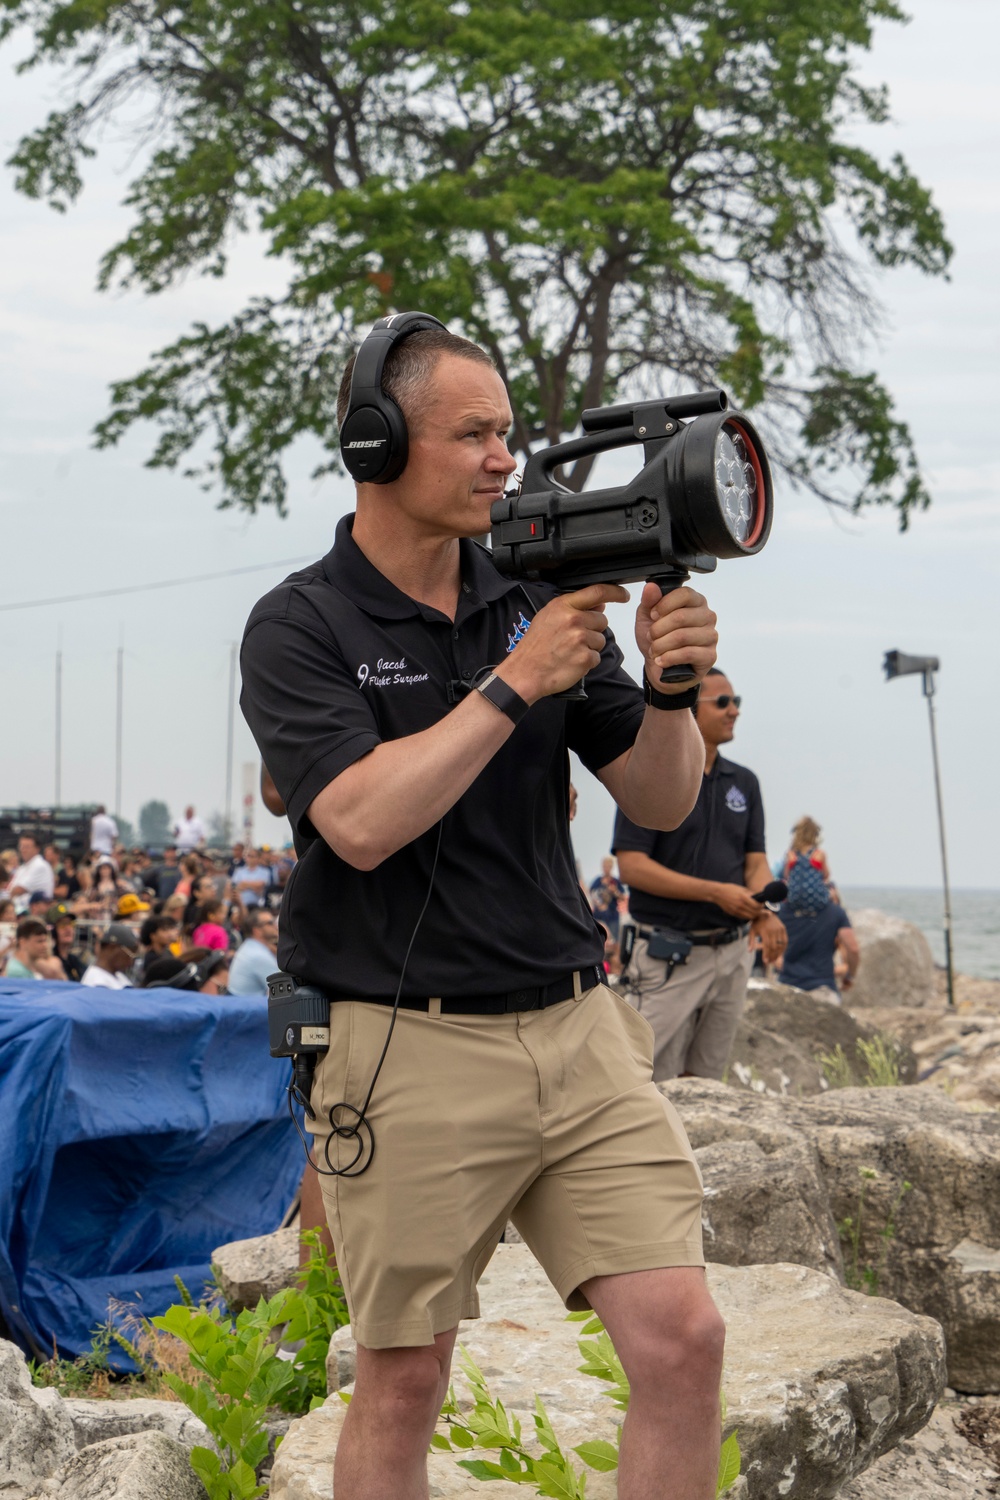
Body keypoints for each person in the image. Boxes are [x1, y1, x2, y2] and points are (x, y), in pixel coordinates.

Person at [240, 318, 725, 1500]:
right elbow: (356, 821)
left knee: (684, 1340)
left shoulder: (534, 591)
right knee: (404, 1380)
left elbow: (659, 797)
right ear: (376, 442)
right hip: (405, 1040)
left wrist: (667, 690)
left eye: (508, 432)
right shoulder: (300, 624)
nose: (505, 459)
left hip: (574, 1023)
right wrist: (513, 684)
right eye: (474, 434)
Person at [613, 668, 787, 1082]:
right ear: (691, 706)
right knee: (646, 1080)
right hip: (669, 956)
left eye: (737, 702)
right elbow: (631, 866)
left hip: (731, 955)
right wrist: (716, 893)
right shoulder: (653, 775)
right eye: (723, 703)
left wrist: (765, 908)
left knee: (708, 1082)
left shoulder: (744, 783)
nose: (734, 712)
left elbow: (755, 863)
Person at [779, 901, 860, 1001]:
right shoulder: (835, 912)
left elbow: (773, 956)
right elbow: (853, 949)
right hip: (823, 988)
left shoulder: (783, 910)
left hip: (787, 986)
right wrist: (849, 977)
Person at [227, 908, 279, 996]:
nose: (275, 926)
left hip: (242, 1003)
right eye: (270, 923)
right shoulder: (259, 956)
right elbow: (280, 991)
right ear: (257, 930)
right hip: (248, 1007)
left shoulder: (250, 946)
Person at [80, 924, 139, 989]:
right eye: (131, 952)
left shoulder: (117, 975)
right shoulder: (97, 984)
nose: (132, 960)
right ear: (112, 948)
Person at [8, 834, 55, 914]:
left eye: (27, 847)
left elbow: (18, 890)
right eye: (21, 846)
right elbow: (11, 889)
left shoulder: (40, 865)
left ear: (37, 849)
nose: (23, 850)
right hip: (20, 911)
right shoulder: (23, 867)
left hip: (35, 913)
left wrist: (12, 891)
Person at [589, 855, 626, 940]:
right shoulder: (597, 881)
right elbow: (591, 893)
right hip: (598, 916)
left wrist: (615, 891)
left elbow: (623, 897)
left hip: (612, 916)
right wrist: (599, 904)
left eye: (608, 866)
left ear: (611, 867)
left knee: (614, 940)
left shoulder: (615, 882)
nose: (606, 868)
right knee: (597, 939)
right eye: (604, 866)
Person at [47, 904, 87, 983]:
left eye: (70, 923)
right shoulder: (49, 960)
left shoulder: (74, 961)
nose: (68, 928)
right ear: (53, 930)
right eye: (62, 924)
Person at [138, 913, 183, 979]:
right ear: (153, 936)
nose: (169, 934)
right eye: (164, 930)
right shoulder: (151, 959)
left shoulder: (167, 952)